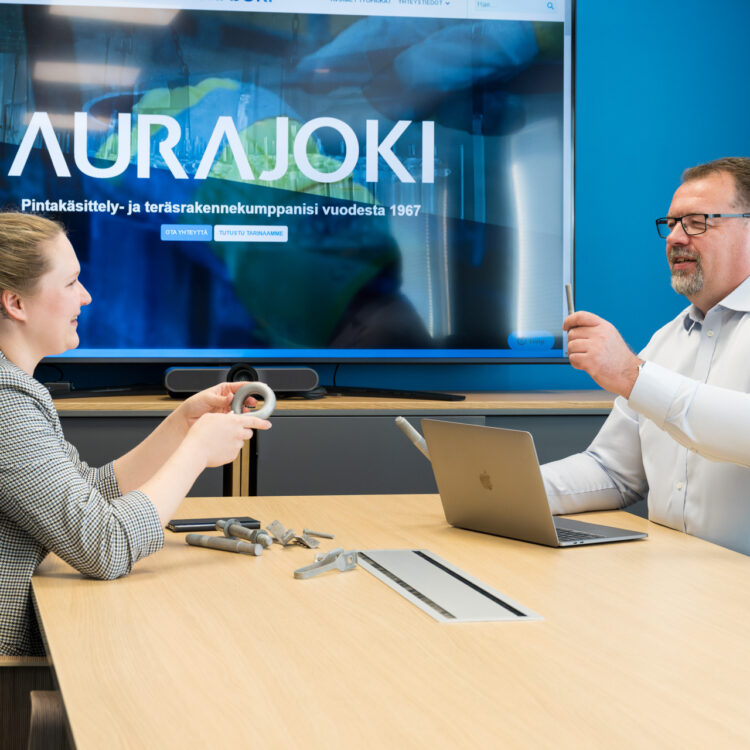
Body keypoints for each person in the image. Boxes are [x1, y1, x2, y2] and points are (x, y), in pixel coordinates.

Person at [0, 213, 272, 656]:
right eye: (71, 284)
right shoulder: (6, 402)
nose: (85, 297)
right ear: (16, 303)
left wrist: (182, 425)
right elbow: (104, 546)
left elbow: (89, 492)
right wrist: (197, 450)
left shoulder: (15, 389)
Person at [542, 156, 750, 556]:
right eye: (671, 224)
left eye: (697, 222)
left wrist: (633, 375)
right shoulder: (667, 339)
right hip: (666, 588)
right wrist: (508, 490)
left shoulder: (644, 363)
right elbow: (612, 471)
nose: (674, 237)